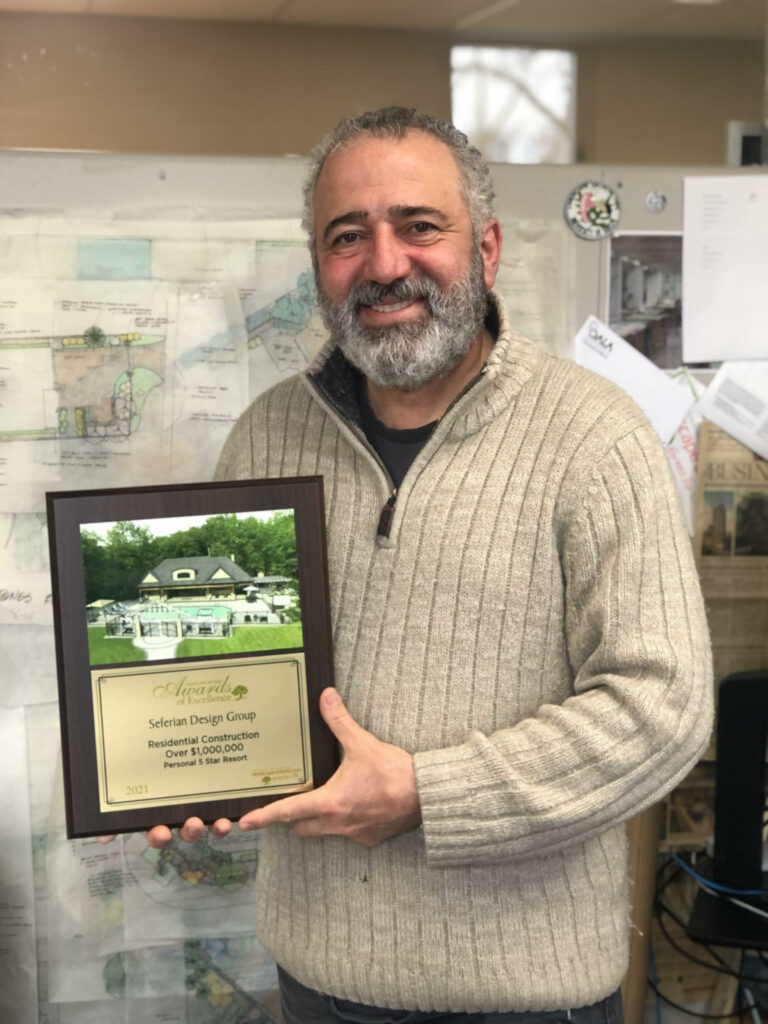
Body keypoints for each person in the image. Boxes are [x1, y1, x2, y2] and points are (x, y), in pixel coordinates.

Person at [147, 107, 713, 1022]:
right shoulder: (265, 437)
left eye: (419, 225)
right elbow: (221, 664)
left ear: (485, 249)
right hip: (317, 979)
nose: (383, 264)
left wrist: (429, 794)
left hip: (527, 998)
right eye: (347, 236)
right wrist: (179, 759)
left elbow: (662, 710)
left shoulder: (593, 436)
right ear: (319, 265)